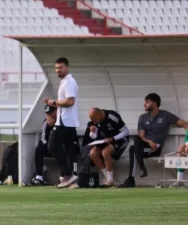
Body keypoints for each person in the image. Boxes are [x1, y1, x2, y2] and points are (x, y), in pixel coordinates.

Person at [120, 93, 188, 188]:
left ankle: (131, 179)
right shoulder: (142, 117)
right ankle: (142, 169)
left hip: (155, 148)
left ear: (155, 103)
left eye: (147, 102)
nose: (145, 105)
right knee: (134, 143)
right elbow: (141, 135)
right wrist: (149, 141)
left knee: (133, 149)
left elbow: (185, 124)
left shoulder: (165, 115)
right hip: (145, 145)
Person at [44, 57, 79, 188]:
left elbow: (70, 101)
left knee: (52, 146)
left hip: (65, 121)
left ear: (67, 67)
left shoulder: (69, 82)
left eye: (61, 67)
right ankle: (72, 180)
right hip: (67, 121)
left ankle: (67, 174)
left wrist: (53, 102)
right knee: (69, 150)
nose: (58, 70)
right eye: (56, 68)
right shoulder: (65, 81)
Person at [87, 107, 129, 187]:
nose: (94, 122)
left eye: (95, 120)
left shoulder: (112, 117)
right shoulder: (95, 121)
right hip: (106, 140)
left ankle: (110, 180)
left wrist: (113, 138)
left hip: (119, 139)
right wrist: (93, 132)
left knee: (105, 152)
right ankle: (108, 176)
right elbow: (93, 136)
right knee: (93, 153)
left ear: (99, 114)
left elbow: (126, 132)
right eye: (93, 120)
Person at [27, 105, 56, 186]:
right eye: (47, 113)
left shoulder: (62, 122)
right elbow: (43, 139)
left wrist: (54, 126)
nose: (49, 115)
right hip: (51, 148)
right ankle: (39, 177)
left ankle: (65, 176)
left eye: (50, 113)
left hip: (61, 148)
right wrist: (50, 146)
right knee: (39, 149)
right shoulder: (46, 122)